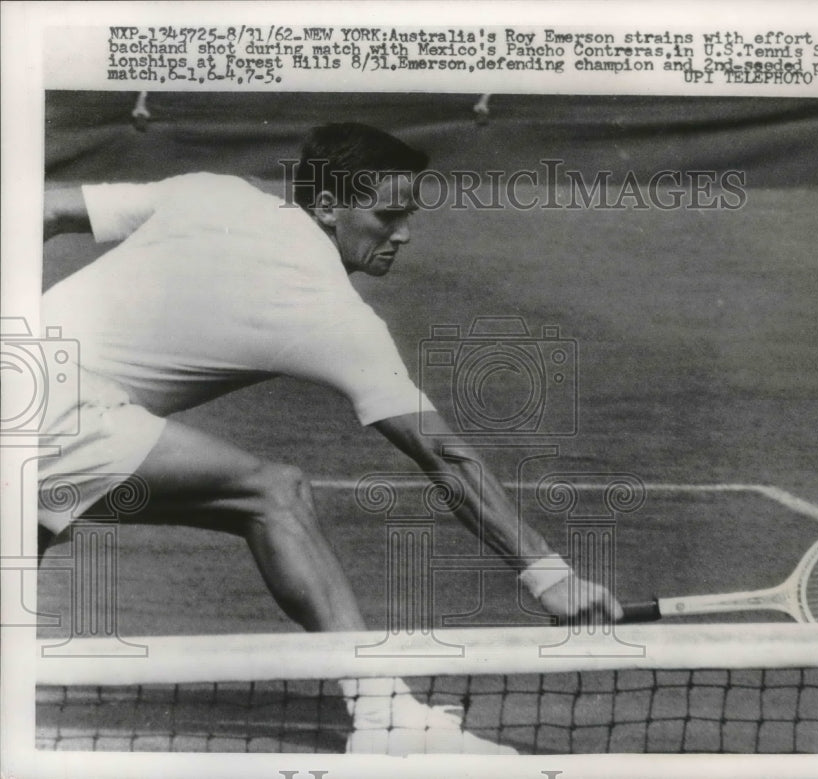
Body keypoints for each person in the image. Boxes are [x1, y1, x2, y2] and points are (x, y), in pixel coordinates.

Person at [39, 122, 623, 754]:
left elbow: (44, 208)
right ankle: (385, 719)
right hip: (49, 410)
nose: (403, 233)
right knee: (274, 495)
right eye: (388, 213)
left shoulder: (213, 192)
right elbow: (441, 453)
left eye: (410, 214)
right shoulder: (328, 310)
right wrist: (547, 575)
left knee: (30, 522)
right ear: (326, 206)